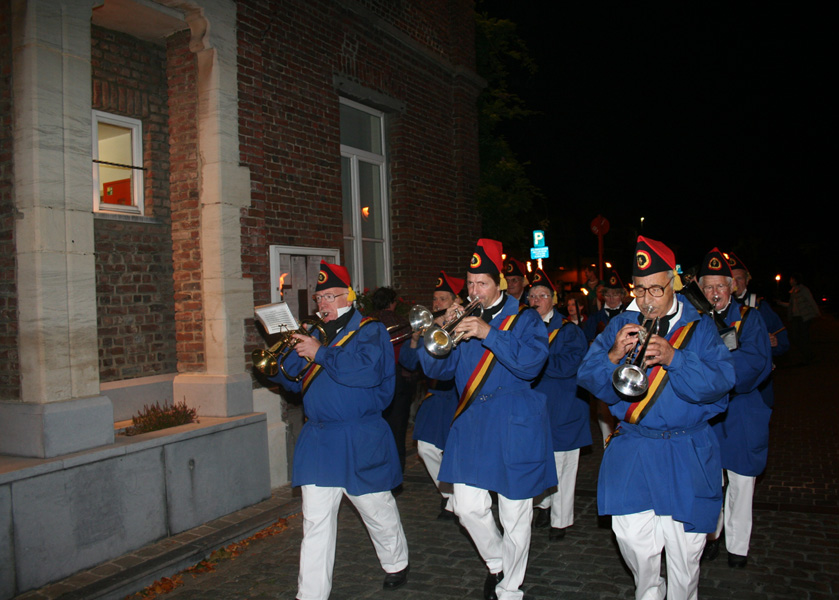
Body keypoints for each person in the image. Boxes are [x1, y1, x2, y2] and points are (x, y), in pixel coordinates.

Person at [577, 236, 735, 600]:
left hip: (687, 450)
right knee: (631, 536)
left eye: (655, 290)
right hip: (635, 447)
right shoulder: (622, 324)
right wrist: (614, 353)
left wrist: (675, 358)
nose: (646, 300)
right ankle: (649, 589)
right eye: (640, 289)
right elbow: (586, 376)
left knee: (685, 555)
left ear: (674, 284)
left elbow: (722, 383)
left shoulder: (703, 327)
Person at [417, 239, 554, 600]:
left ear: (500, 285)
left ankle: (510, 587)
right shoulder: (461, 318)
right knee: (466, 506)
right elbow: (438, 371)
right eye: (470, 283)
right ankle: (498, 564)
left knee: (514, 514)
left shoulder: (525, 318)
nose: (474, 291)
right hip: (473, 423)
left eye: (482, 283)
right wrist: (439, 332)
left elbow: (531, 364)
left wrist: (489, 333)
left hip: (514, 422)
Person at [268, 261, 409, 600]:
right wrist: (282, 355)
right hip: (319, 438)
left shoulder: (370, 331)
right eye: (319, 299)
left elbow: (366, 373)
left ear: (347, 296)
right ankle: (311, 594)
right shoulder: (314, 332)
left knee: (375, 508)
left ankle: (396, 561)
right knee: (315, 521)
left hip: (359, 435)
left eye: (329, 297)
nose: (323, 305)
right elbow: (290, 382)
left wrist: (320, 353)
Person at [697, 249, 772, 569]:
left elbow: (755, 364)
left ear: (732, 288)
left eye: (721, 286)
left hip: (741, 413)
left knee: (741, 482)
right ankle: (711, 537)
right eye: (708, 286)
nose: (715, 293)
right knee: (710, 480)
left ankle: (738, 546)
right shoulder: (694, 321)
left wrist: (713, 371)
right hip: (707, 417)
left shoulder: (750, 318)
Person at [527, 268, 591, 541]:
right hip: (534, 409)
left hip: (564, 407)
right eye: (531, 296)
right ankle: (543, 504)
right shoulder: (523, 327)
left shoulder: (568, 331)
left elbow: (568, 365)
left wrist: (532, 359)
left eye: (541, 295)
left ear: (553, 299)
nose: (535, 301)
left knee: (563, 466)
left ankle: (560, 521)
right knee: (538, 460)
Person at [399, 270, 464, 520]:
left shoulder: (459, 324)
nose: (436, 304)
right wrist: (416, 338)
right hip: (435, 396)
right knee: (426, 448)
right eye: (435, 299)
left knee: (454, 451)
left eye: (442, 299)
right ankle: (450, 495)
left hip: (457, 397)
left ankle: (457, 499)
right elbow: (408, 363)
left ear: (456, 302)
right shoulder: (429, 328)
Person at [373, 286, 417, 474]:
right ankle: (397, 473)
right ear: (392, 303)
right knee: (398, 429)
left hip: (376, 379)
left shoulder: (369, 323)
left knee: (377, 429)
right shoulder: (401, 322)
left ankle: (379, 470)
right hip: (399, 378)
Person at [779, 273, 819, 365]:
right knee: (796, 337)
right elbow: (791, 305)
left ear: (795, 280)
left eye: (791, 279)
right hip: (796, 317)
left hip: (804, 317)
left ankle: (807, 356)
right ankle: (806, 354)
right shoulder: (792, 292)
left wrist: (816, 312)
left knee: (803, 337)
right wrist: (781, 303)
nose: (790, 281)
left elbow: (811, 300)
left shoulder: (803, 290)